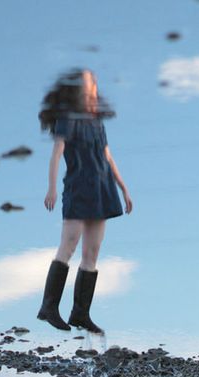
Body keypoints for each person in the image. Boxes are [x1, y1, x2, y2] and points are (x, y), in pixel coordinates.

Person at [37, 68, 133, 334]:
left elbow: (108, 156)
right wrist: (52, 187)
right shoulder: (68, 118)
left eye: (94, 81)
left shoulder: (97, 121)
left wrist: (123, 187)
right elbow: (57, 152)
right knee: (68, 246)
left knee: (92, 252)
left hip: (102, 188)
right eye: (89, 81)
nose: (94, 85)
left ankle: (80, 312)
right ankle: (48, 307)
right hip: (79, 186)